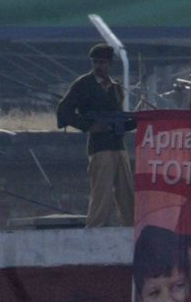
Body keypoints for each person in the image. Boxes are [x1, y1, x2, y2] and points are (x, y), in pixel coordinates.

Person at [58, 44, 135, 228]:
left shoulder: (116, 88)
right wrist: (89, 126)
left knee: (127, 194)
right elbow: (63, 111)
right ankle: (95, 231)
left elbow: (121, 121)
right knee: (102, 194)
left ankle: (132, 229)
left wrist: (139, 121)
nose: (99, 66)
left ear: (110, 64)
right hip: (100, 148)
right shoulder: (84, 85)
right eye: (96, 62)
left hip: (118, 146)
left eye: (103, 62)